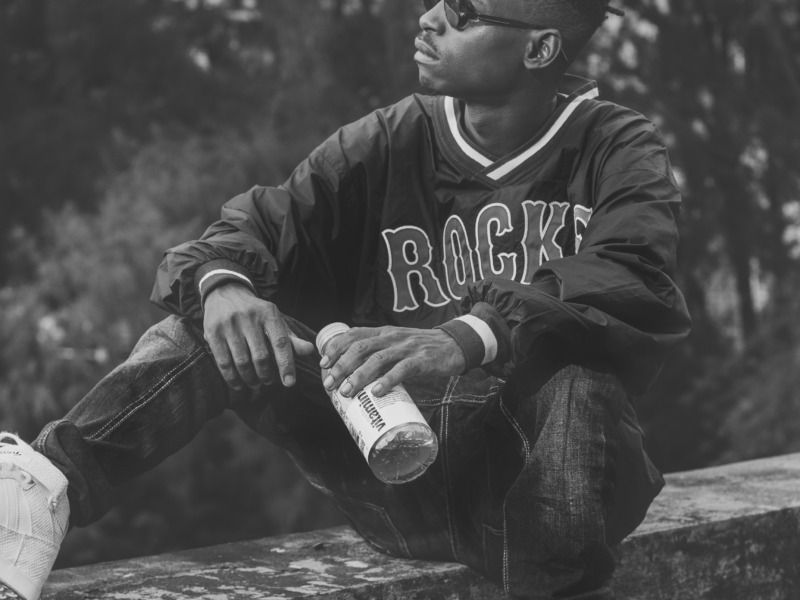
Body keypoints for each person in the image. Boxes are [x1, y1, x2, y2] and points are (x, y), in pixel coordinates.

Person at [0, 0, 692, 598]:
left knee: (578, 382)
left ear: (539, 49)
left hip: (544, 490)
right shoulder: (389, 138)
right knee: (209, 329)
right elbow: (256, 225)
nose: (428, 19)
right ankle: (36, 496)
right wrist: (224, 283)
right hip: (397, 466)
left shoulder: (617, 146)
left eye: (461, 11)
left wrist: (466, 336)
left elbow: (631, 276)